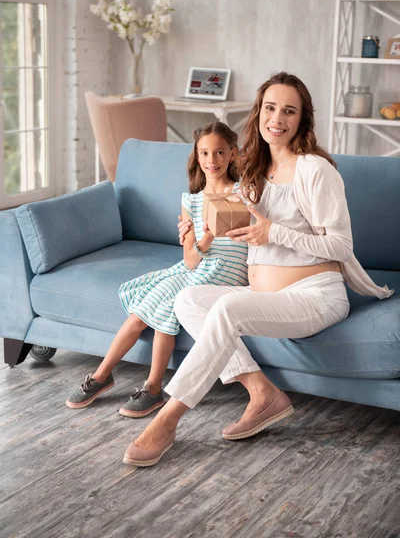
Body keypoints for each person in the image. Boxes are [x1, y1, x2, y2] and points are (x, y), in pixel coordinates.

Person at [122, 71, 394, 467]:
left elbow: (339, 246)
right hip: (264, 295)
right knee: (189, 299)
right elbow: (229, 226)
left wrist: (275, 232)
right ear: (258, 112)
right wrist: (194, 231)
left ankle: (168, 418)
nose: (277, 119)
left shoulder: (315, 170)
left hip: (315, 295)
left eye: (289, 110)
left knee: (227, 310)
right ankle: (262, 392)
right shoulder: (251, 170)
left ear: (303, 119)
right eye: (270, 108)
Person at [66, 121, 248, 417]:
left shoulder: (243, 193)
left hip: (225, 273)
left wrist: (217, 233)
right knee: (141, 312)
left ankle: (153, 387)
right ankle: (101, 376)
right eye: (204, 153)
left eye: (218, 153)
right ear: (197, 156)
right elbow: (190, 260)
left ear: (232, 154)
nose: (211, 161)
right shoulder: (191, 200)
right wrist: (206, 236)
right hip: (196, 270)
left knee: (167, 307)